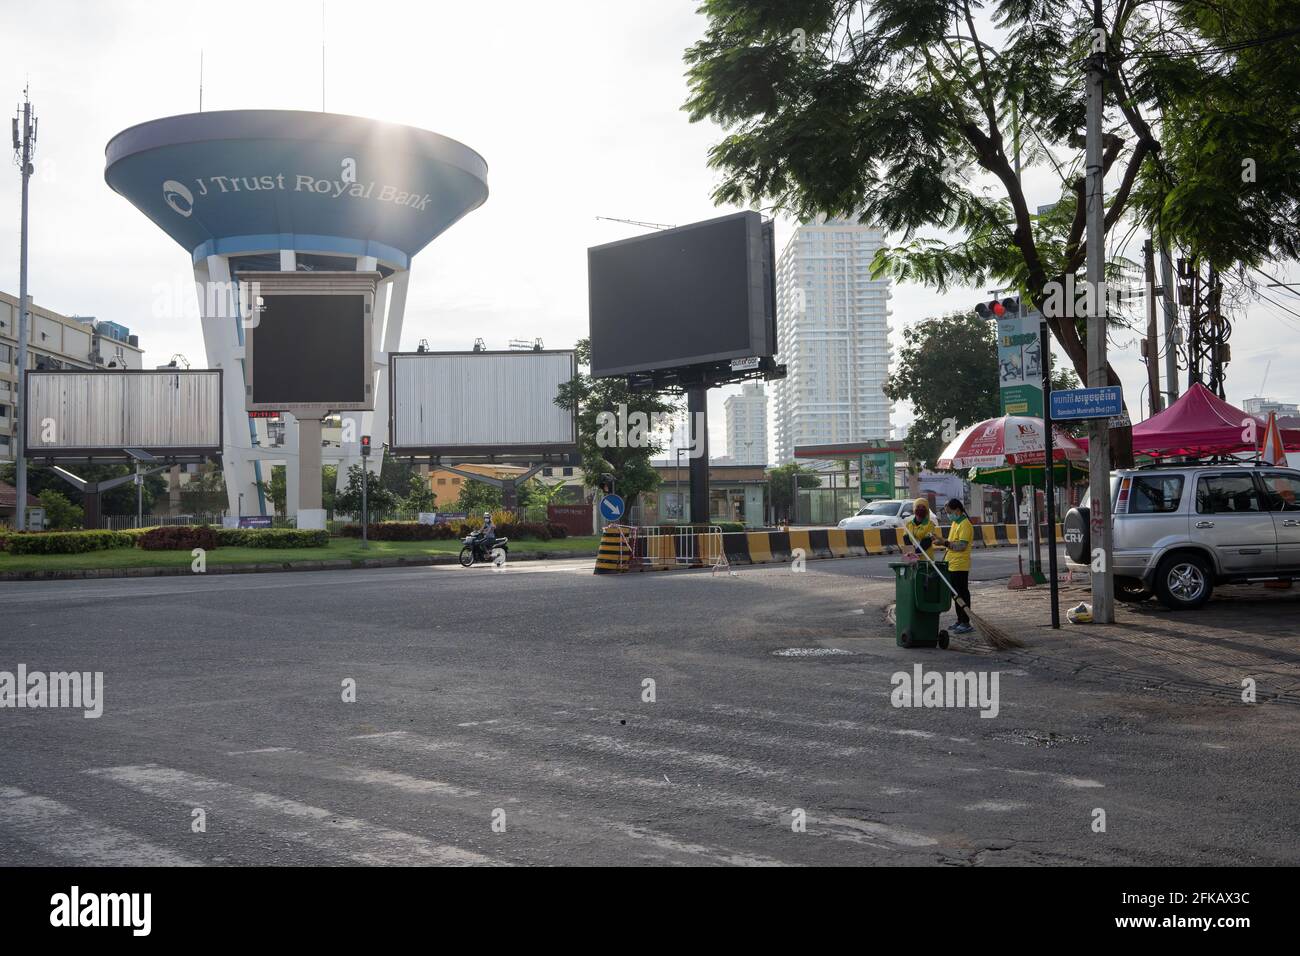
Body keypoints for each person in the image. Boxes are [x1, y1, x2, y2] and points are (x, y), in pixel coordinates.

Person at [937, 498, 975, 634]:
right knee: (955, 595)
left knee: (962, 594)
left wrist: (945, 543)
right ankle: (960, 619)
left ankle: (966, 622)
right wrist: (942, 541)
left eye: (950, 512)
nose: (948, 515)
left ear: (957, 510)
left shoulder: (965, 525)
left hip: (960, 564)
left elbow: (961, 546)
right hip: (952, 563)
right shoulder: (955, 523)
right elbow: (951, 542)